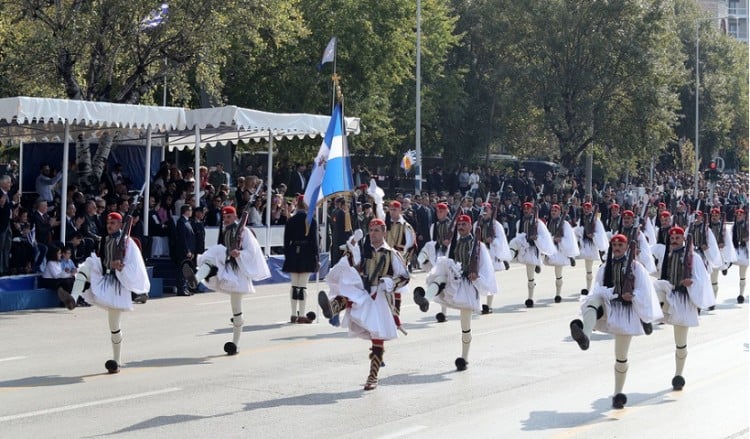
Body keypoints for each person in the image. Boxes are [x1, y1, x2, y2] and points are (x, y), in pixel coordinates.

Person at [569, 234, 662, 409]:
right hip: (609, 305)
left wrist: (632, 295)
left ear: (627, 247)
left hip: (627, 312)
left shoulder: (636, 268)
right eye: (615, 244)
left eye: (621, 244)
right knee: (592, 303)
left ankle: (618, 393)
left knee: (621, 357)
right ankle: (585, 337)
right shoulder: (605, 268)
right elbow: (596, 289)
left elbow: (645, 291)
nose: (617, 247)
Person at [318, 219, 409, 390]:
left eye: (376, 230)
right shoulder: (365, 250)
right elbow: (352, 264)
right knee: (349, 292)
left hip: (380, 296)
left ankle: (373, 376)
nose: (373, 233)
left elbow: (404, 276)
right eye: (371, 230)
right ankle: (332, 308)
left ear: (384, 232)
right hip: (364, 290)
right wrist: (353, 244)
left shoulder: (391, 254)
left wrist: (389, 283)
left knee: (377, 335)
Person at [70, 212, 151, 373]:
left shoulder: (128, 243)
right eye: (108, 223)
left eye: (113, 223)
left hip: (117, 284)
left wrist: (122, 268)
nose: (109, 226)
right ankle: (72, 298)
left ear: (120, 225)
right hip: (104, 275)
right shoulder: (105, 240)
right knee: (85, 267)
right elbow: (101, 259)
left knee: (114, 326)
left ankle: (116, 361)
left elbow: (135, 265)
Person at [413, 214, 496, 371]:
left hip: (469, 286)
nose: (461, 227)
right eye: (459, 225)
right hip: (454, 280)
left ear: (471, 226)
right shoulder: (455, 243)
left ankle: (464, 358)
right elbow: (449, 260)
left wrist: (476, 275)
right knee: (441, 277)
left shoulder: (478, 246)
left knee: (465, 325)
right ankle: (426, 299)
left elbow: (486, 268)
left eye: (464, 224)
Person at [185, 206, 271, 355]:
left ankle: (235, 344)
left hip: (238, 272)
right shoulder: (226, 230)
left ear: (235, 216)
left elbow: (252, 252)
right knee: (211, 256)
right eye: (224, 218)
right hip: (227, 265)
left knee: (236, 310)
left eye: (228, 217)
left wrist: (239, 253)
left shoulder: (244, 232)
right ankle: (195, 280)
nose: (226, 220)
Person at [653, 226, 714, 391]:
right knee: (655, 288)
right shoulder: (668, 255)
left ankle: (678, 374)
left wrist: (691, 283)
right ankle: (651, 317)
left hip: (684, 300)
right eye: (672, 238)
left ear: (683, 239)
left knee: (680, 342)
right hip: (669, 295)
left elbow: (702, 280)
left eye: (677, 238)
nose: (674, 241)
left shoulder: (694, 258)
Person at [508, 202, 555, 308]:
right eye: (524, 208)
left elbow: (545, 238)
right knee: (514, 243)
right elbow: (517, 235)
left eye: (528, 209)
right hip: (523, 248)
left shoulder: (539, 223)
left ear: (532, 210)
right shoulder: (519, 222)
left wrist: (536, 238)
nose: (526, 210)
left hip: (533, 250)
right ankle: (508, 258)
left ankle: (530, 298)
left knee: (530, 277)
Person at [281, 196, 319, 324]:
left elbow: (286, 241)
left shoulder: (291, 220)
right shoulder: (311, 221)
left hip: (293, 252)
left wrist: (288, 255)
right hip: (306, 253)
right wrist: (316, 258)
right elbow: (314, 242)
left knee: (294, 285)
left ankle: (293, 314)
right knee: (303, 287)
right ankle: (302, 315)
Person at [416, 202, 453, 322]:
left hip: (449, 257)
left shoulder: (452, 225)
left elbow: (456, 241)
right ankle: (419, 261)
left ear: (447, 211)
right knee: (439, 284)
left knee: (442, 284)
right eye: (437, 211)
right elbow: (433, 241)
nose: (439, 213)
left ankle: (440, 310)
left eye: (441, 211)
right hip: (438, 256)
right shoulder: (434, 226)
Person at [475, 202, 511, 313]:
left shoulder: (496, 225)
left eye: (487, 209)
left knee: (490, 279)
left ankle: (488, 305)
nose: (485, 211)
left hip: (491, 254)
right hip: (479, 253)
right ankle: (476, 304)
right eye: (483, 209)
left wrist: (493, 241)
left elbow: (502, 241)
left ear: (491, 211)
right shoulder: (477, 224)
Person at [544, 204, 579, 303]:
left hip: (561, 250)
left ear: (559, 212)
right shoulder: (549, 222)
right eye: (552, 211)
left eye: (555, 211)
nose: (553, 212)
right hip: (552, 248)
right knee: (557, 272)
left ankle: (558, 294)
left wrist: (560, 240)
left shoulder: (564, 223)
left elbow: (569, 238)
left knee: (558, 273)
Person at [575, 201, 609, 295]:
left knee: (590, 268)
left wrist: (593, 236)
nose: (586, 210)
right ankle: (588, 287)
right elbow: (578, 230)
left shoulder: (595, 219)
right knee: (587, 268)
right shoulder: (581, 219)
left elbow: (599, 233)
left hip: (592, 245)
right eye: (585, 208)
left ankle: (589, 287)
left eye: (588, 208)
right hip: (584, 245)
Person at [173, 205, 196, 296]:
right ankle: (181, 289)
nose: (191, 212)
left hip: (189, 250)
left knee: (187, 270)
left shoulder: (187, 221)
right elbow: (182, 238)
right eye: (190, 210)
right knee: (182, 270)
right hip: (183, 251)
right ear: (185, 211)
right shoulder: (181, 222)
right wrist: (187, 250)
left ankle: (185, 288)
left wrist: (192, 251)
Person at [732, 208, 749, 303]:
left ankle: (741, 294)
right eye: (737, 215)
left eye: (740, 215)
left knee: (742, 275)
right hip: (735, 250)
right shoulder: (733, 227)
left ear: (743, 216)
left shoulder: (747, 225)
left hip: (744, 250)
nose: (738, 216)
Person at [329, 197, 352, 266]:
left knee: (336, 257)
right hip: (342, 238)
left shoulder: (334, 212)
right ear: (343, 205)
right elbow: (347, 228)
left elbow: (332, 225)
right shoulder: (344, 214)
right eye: (347, 205)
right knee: (341, 257)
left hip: (335, 237)